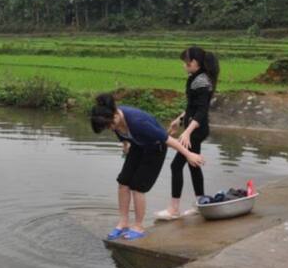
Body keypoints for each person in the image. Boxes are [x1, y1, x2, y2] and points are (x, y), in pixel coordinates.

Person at [90, 93, 205, 241]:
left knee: (138, 187)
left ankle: (138, 226)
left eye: (111, 125)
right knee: (123, 182)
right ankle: (123, 223)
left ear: (116, 114)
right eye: (107, 127)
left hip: (155, 148)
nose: (111, 128)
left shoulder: (138, 122)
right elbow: (121, 133)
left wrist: (189, 155)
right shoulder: (113, 120)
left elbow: (168, 139)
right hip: (138, 145)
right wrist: (125, 144)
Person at [155, 46, 219, 220]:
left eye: (186, 62)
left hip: (196, 130)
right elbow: (192, 108)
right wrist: (179, 120)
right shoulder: (196, 78)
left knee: (176, 166)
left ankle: (173, 210)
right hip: (194, 128)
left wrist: (188, 132)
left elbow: (201, 111)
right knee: (193, 164)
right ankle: (201, 203)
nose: (184, 65)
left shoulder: (201, 81)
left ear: (195, 63)